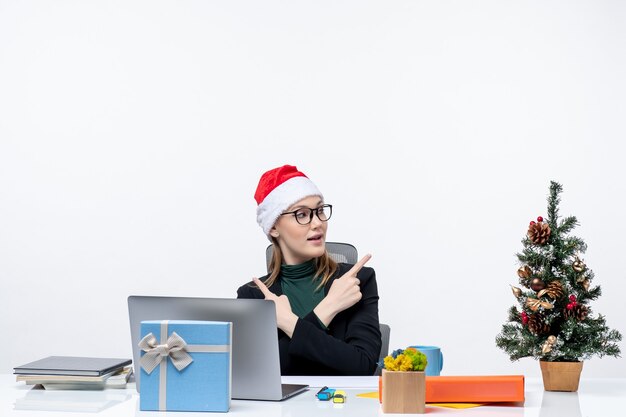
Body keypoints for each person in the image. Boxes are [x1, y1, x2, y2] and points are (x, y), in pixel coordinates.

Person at [237, 164, 382, 376]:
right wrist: (327, 309)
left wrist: (288, 322)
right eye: (302, 215)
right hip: (281, 410)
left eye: (320, 210)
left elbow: (362, 366)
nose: (317, 223)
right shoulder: (254, 296)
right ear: (274, 227)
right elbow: (258, 374)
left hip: (344, 407)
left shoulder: (356, 281)